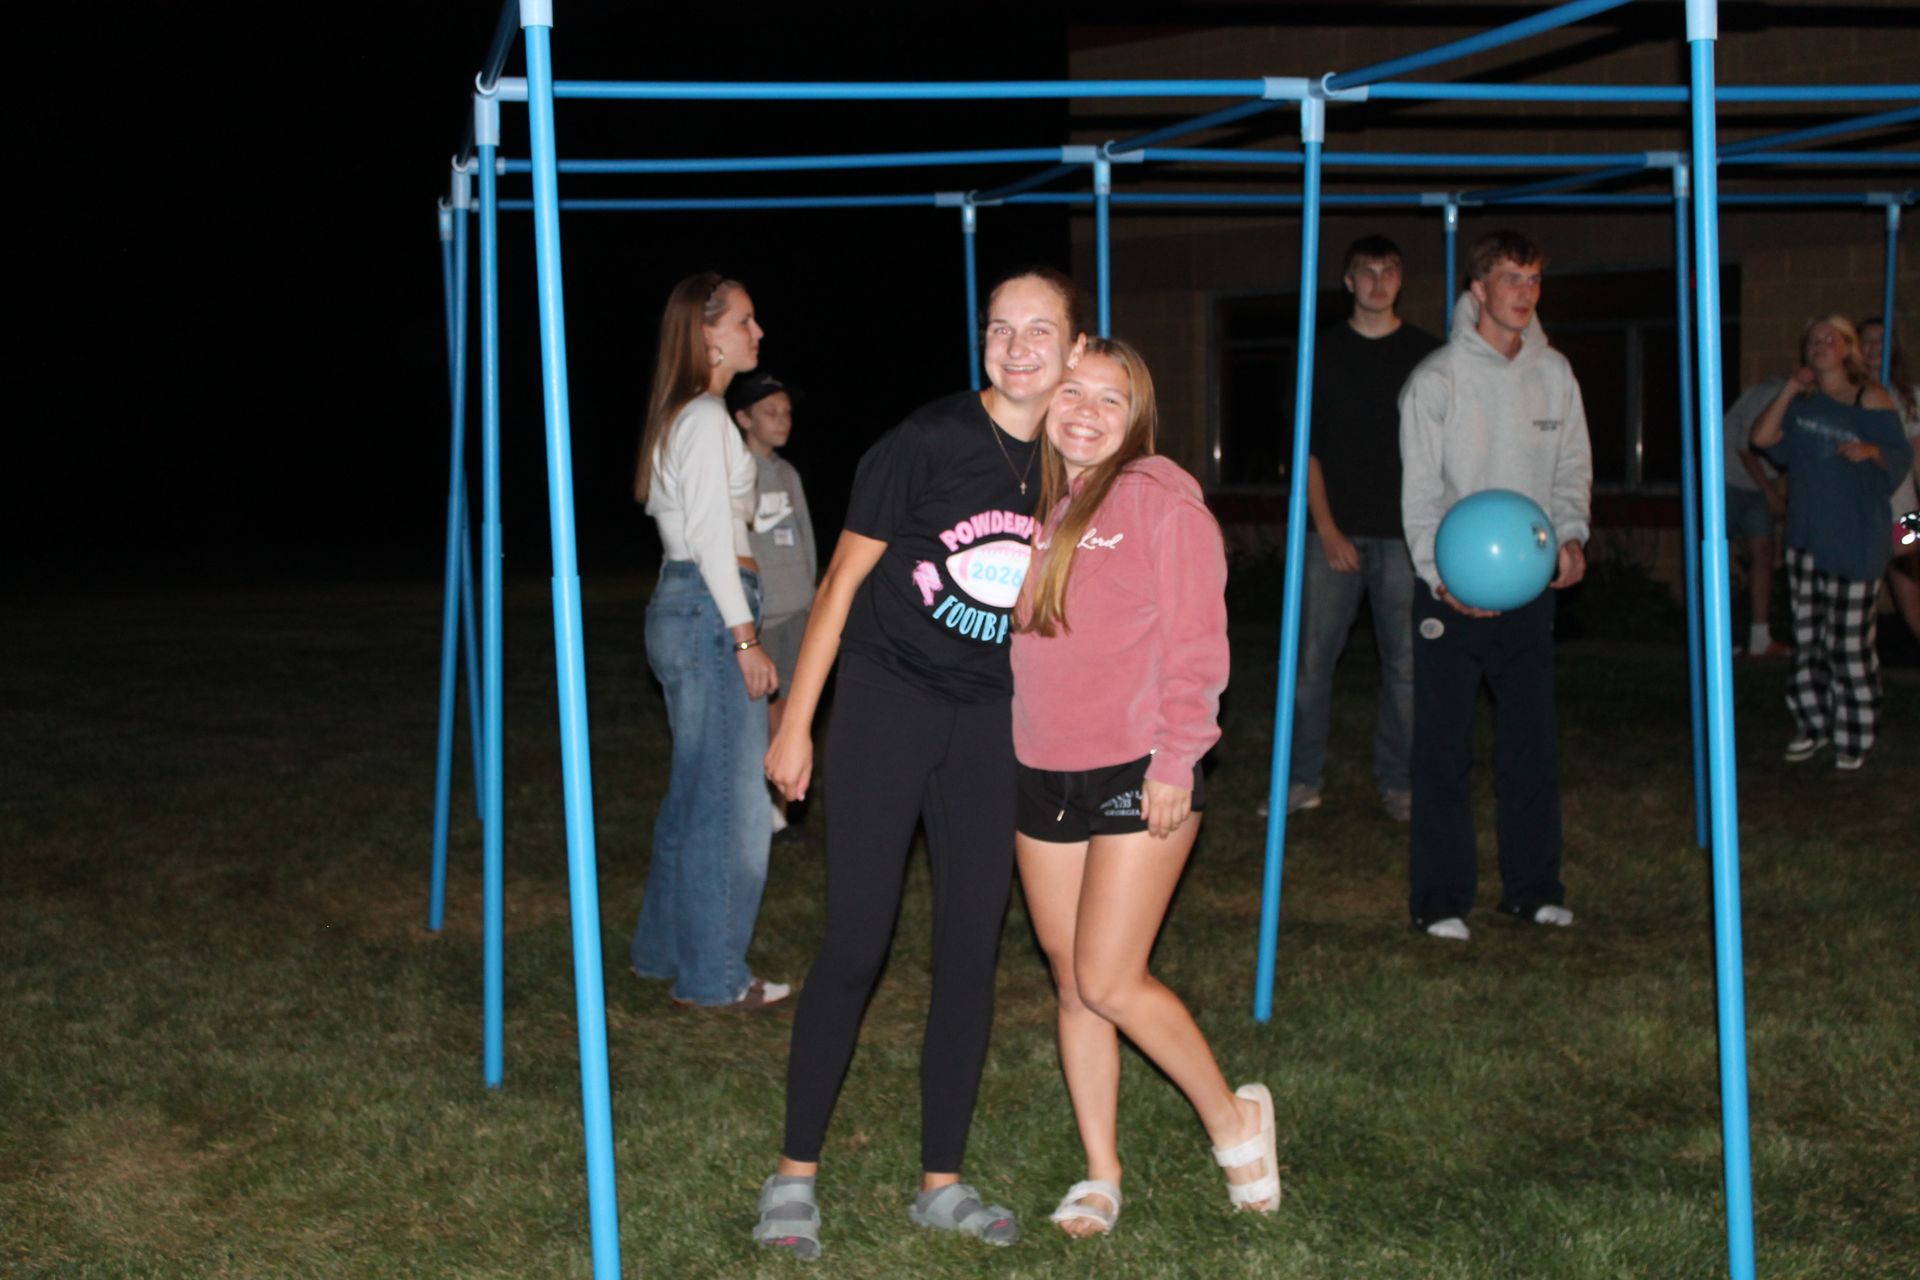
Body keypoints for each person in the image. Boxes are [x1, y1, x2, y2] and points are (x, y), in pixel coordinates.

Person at [751, 268, 1087, 1258]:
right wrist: (795, 721)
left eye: (1040, 331)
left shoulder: (1072, 463)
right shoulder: (928, 438)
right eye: (999, 328)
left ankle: (941, 1178)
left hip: (989, 721)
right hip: (889, 704)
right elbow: (843, 579)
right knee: (858, 939)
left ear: (1074, 350)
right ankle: (794, 1172)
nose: (1016, 345)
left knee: (970, 951)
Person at [1010, 338, 1275, 1239]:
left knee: (1111, 977)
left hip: (1138, 768)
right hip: (1041, 772)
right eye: (1071, 392)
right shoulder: (1034, 504)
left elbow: (1200, 646)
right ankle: (1101, 1172)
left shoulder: (1161, 503)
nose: (1084, 411)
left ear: (1137, 420)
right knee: (1073, 983)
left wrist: (1177, 758)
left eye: (1108, 401)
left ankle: (1234, 1122)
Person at [1399, 230, 1592, 943]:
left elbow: (1573, 465)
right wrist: (1437, 575)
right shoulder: (1437, 380)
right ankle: (1441, 900)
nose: (1524, 292)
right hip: (1450, 593)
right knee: (1444, 751)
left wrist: (1570, 532)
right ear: (1477, 289)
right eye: (1510, 278)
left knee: (1531, 743)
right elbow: (1419, 494)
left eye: (1534, 278)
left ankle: (1533, 888)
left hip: (1528, 589)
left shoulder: (1556, 374)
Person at [628, 273, 788, 1010]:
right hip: (709, 607)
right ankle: (716, 978)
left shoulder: (693, 416)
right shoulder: (703, 419)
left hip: (690, 606)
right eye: (746, 322)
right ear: (708, 333)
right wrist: (746, 637)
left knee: (696, 794)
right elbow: (711, 542)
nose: (758, 334)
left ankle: (663, 953)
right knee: (735, 807)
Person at [1285, 235, 1440, 821]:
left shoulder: (1427, 354)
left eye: (1389, 270)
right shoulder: (1319, 353)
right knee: (1311, 665)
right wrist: (1326, 529)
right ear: (1347, 282)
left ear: (1401, 279)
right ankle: (1301, 780)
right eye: (1366, 272)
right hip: (1331, 534)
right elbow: (1309, 450)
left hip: (1406, 535)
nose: (1378, 281)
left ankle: (1399, 781)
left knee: (1406, 667)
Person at [1750, 315, 1911, 771]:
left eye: (1829, 339)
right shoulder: (1802, 404)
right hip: (1808, 538)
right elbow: (1760, 439)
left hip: (1863, 535)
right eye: (1812, 340)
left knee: (1852, 641)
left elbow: (1902, 459)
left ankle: (1854, 731)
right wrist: (1787, 389)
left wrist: (1874, 452)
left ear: (1847, 349)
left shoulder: (1874, 398)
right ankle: (1812, 723)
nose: (1819, 346)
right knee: (1810, 638)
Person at [727, 369, 818, 837]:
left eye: (785, 412)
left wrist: (814, 592)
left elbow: (803, 538)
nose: (782, 420)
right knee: (764, 715)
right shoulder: (734, 471)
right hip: (763, 619)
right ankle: (759, 808)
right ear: (744, 418)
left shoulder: (787, 473)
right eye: (769, 413)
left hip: (799, 613)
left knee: (791, 713)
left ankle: (785, 811)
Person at [1858, 316, 1920, 644]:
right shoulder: (1846, 395)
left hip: (1905, 510)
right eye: (1866, 340)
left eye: (1881, 340)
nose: (1873, 348)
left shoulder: (1910, 398)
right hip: (1862, 512)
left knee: (1910, 591)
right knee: (1860, 593)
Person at [1721, 375, 1791, 657]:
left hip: (1758, 483)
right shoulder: (1773, 392)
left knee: (1763, 553)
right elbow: (1746, 445)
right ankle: (1715, 635)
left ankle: (1760, 637)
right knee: (1716, 555)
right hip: (1726, 476)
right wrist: (1772, 493)